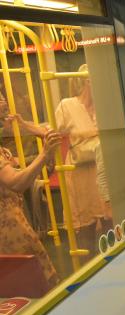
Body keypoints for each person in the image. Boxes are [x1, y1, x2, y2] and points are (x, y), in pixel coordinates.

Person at [1, 110, 62, 289]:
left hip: (16, 222)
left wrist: (25, 126)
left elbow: (25, 171)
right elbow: (16, 182)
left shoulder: (4, 152)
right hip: (8, 230)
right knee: (30, 286)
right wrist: (44, 154)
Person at [55, 64, 110, 254]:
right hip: (80, 175)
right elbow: (53, 132)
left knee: (110, 226)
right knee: (86, 235)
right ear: (88, 82)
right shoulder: (67, 106)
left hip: (103, 171)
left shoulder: (105, 107)